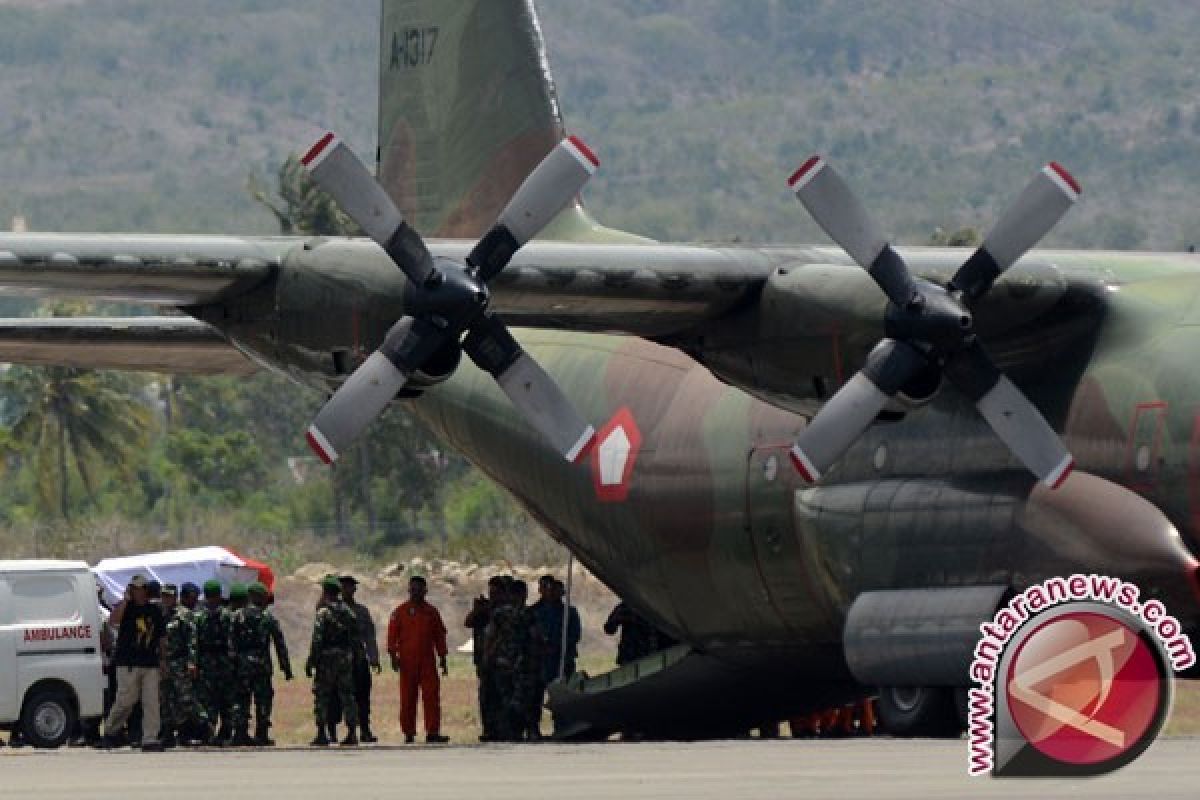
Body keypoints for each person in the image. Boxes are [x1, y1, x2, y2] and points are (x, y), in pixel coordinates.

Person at [101, 575, 165, 751]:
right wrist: (125, 600)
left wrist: (163, 660)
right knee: (126, 700)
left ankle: (150, 738)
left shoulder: (155, 611)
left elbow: (161, 638)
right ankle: (110, 731)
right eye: (134, 589)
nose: (138, 592)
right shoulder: (126, 609)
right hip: (128, 662)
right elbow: (113, 621)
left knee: (151, 702)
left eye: (140, 588)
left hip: (149, 662)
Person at [387, 575, 449, 744]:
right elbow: (392, 636)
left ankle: (433, 732)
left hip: (427, 661)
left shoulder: (431, 612)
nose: (415, 593)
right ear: (409, 590)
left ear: (425, 591)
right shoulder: (399, 612)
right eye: (413, 589)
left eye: (419, 590)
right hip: (407, 662)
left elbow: (439, 636)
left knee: (431, 697)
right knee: (407, 698)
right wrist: (393, 656)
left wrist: (443, 657)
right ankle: (408, 733)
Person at [230, 582, 293, 746]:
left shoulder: (237, 616)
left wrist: (232, 663)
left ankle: (240, 733)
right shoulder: (268, 618)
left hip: (242, 664)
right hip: (262, 664)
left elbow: (230, 642)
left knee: (241, 698)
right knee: (263, 699)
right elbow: (280, 644)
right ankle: (262, 733)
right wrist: (285, 667)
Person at [306, 576, 360, 746]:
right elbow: (355, 637)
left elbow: (317, 639)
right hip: (345, 657)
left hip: (327, 658)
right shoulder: (348, 612)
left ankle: (322, 733)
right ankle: (352, 732)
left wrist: (312, 661)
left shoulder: (323, 612)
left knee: (322, 694)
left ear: (325, 592)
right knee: (347, 695)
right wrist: (355, 658)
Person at [334, 575, 380, 743]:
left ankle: (365, 730)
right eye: (344, 587)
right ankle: (341, 731)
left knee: (363, 696)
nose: (348, 590)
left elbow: (369, 635)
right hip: (340, 661)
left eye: (351, 587)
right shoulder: (333, 610)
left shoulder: (361, 611)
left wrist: (374, 657)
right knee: (340, 697)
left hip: (359, 659)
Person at [464, 575, 505, 741]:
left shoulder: (505, 611)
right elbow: (468, 622)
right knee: (486, 697)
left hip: (502, 662)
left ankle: (503, 729)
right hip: (485, 662)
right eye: (491, 591)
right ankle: (489, 729)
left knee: (503, 697)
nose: (493, 595)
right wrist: (477, 610)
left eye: (497, 592)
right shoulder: (484, 611)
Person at [194, 579, 234, 745]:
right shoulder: (227, 615)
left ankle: (211, 733)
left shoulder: (199, 616)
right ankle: (223, 732)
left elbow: (193, 642)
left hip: (208, 661)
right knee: (223, 698)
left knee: (210, 699)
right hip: (222, 661)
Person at [603, 601, 661, 665]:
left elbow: (609, 629)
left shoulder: (655, 606)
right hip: (633, 655)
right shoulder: (626, 607)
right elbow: (609, 629)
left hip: (648, 656)